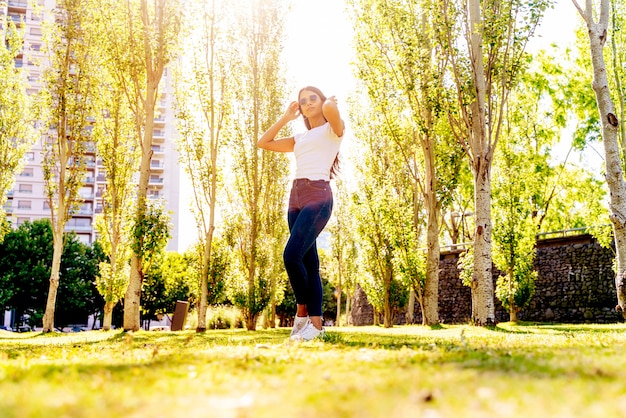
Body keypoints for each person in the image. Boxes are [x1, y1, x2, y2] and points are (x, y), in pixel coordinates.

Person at [257, 86, 344, 341]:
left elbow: (329, 109)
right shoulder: (299, 137)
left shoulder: (332, 130)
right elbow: (264, 142)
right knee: (309, 264)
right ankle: (315, 327)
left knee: (290, 255)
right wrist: (286, 117)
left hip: (318, 195)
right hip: (295, 198)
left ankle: (302, 313)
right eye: (302, 101)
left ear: (322, 99)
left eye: (311, 98)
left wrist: (328, 102)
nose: (307, 103)